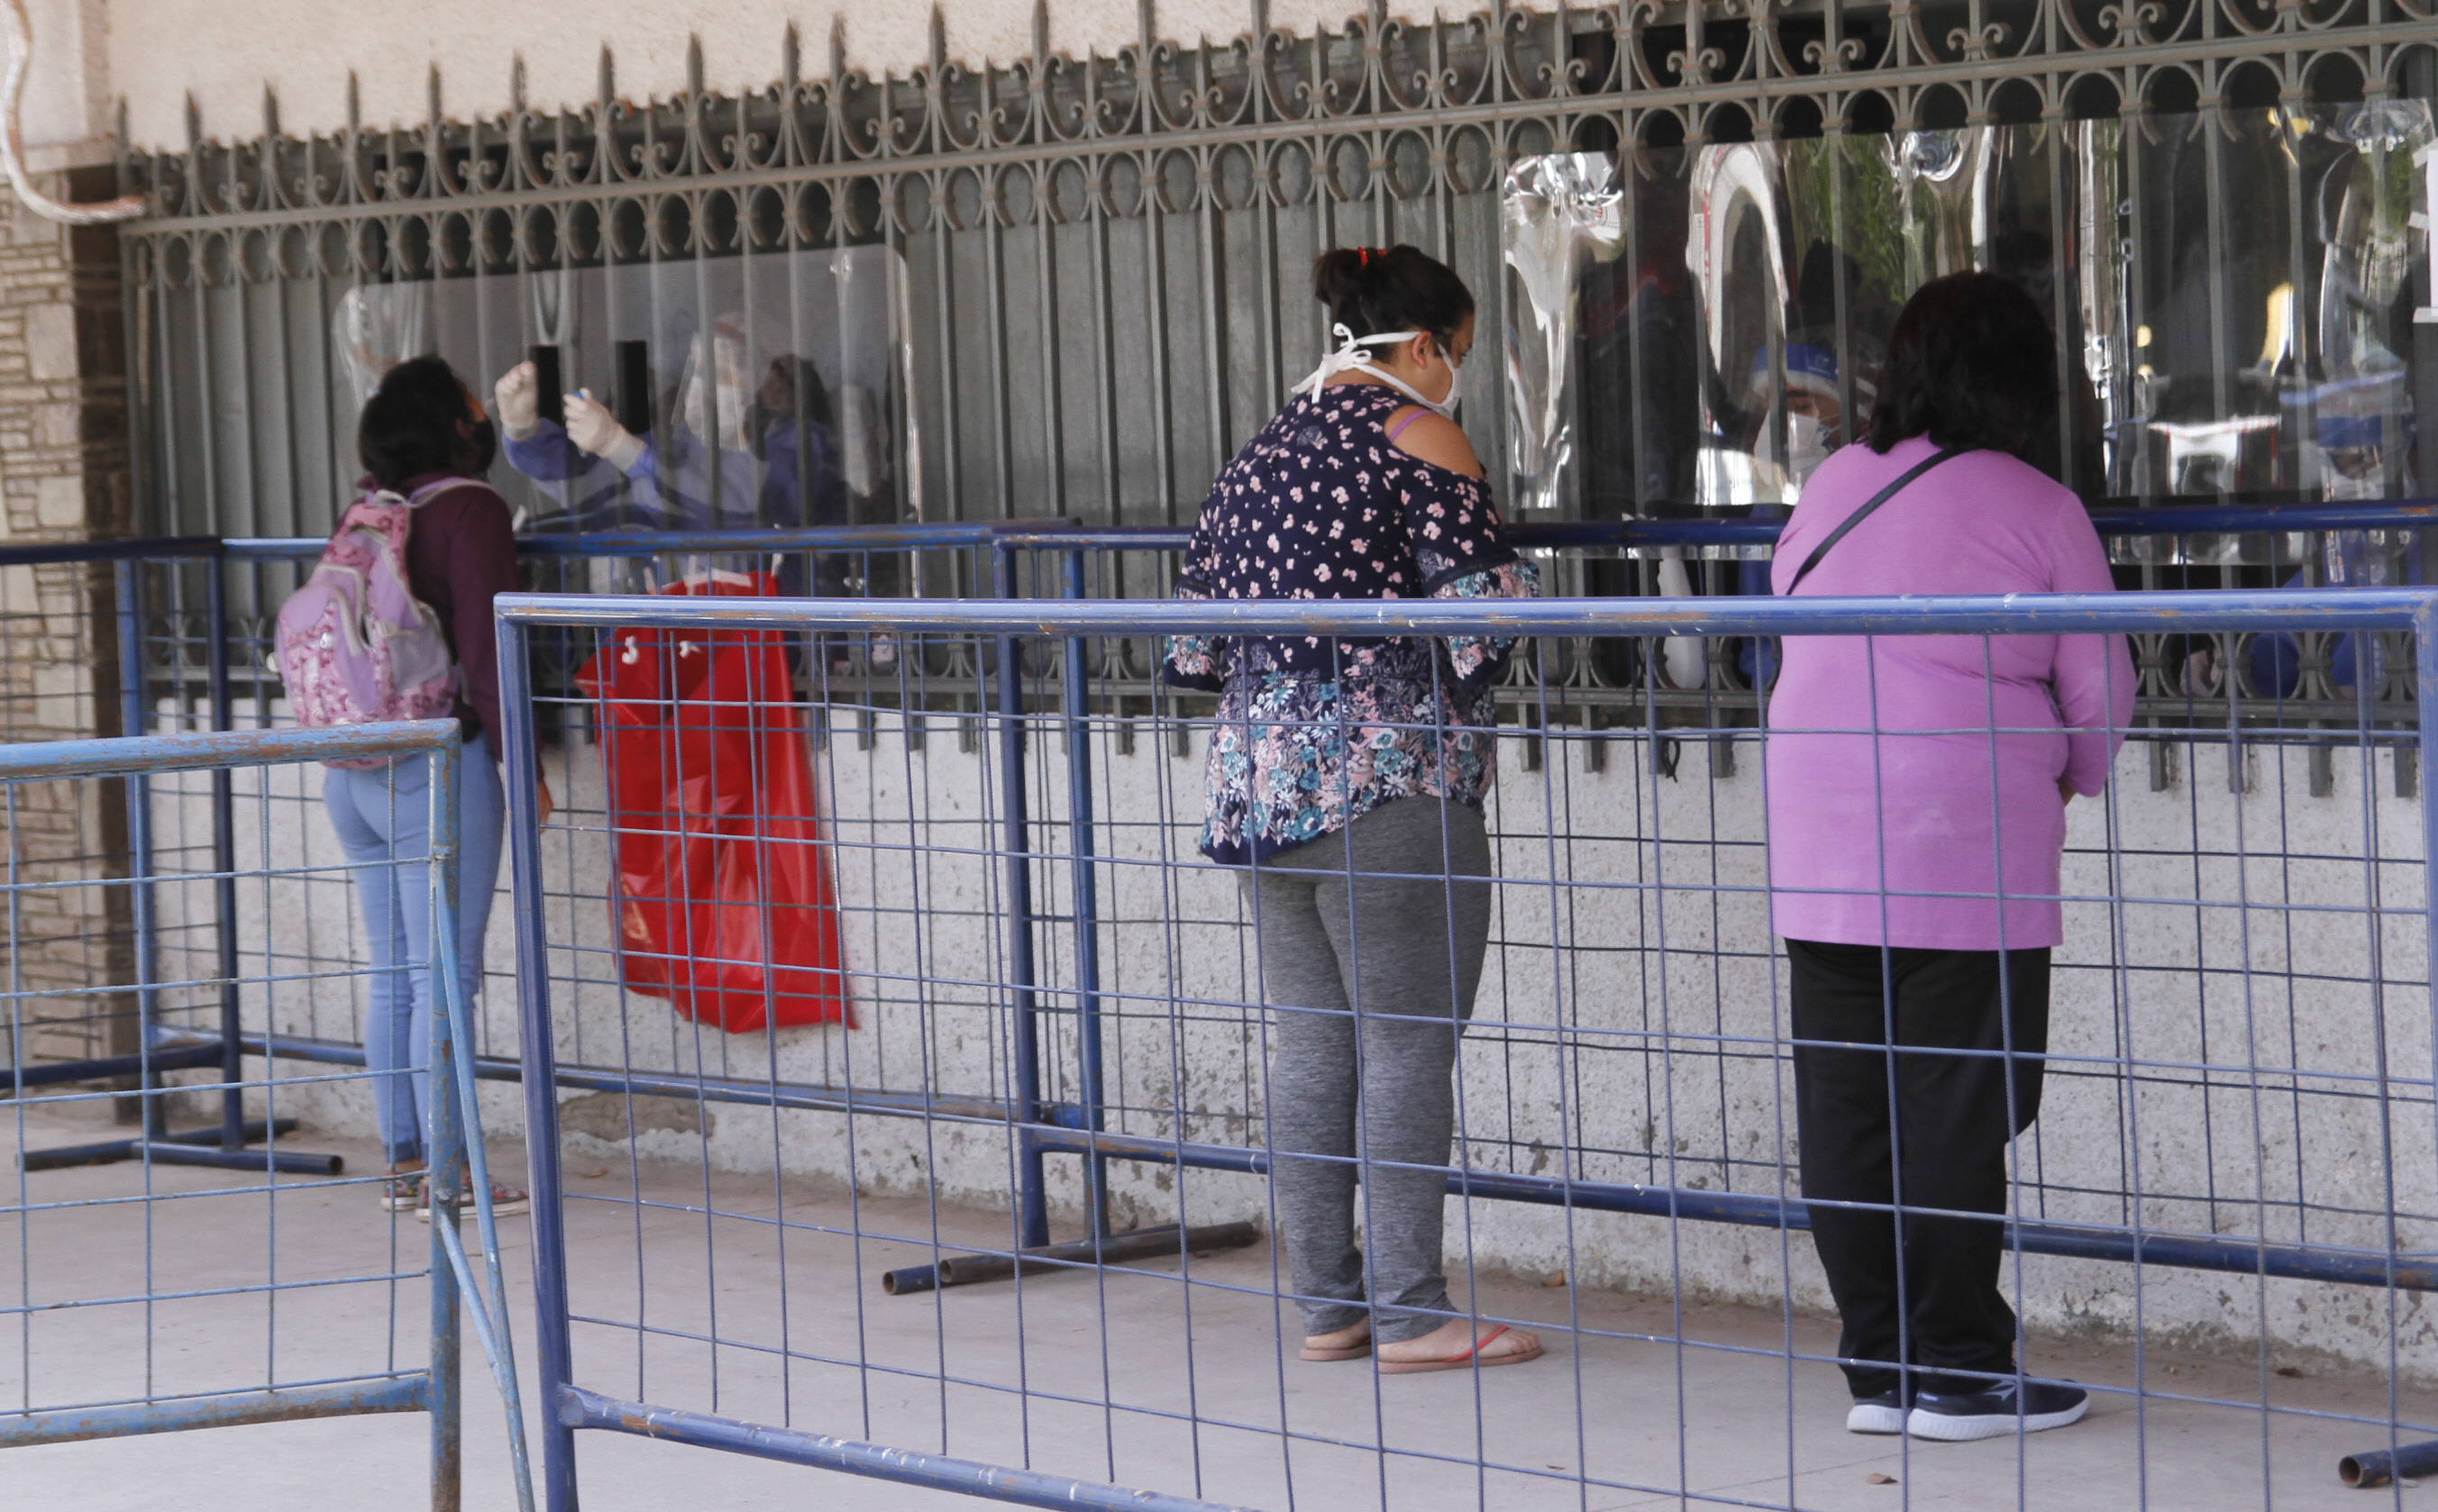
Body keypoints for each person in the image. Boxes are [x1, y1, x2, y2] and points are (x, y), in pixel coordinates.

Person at [1765, 272, 2135, 1440]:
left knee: (1849, 1111)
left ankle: (1881, 1368)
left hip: (1817, 838)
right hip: (1960, 843)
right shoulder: (2041, 506)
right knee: (1957, 1107)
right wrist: (2066, 774)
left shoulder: (1831, 482)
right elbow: (2100, 694)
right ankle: (1963, 1373)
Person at [1164, 244, 1542, 1374]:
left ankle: (1330, 1306)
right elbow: (1484, 623)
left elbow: (1192, 646)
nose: (1457, 375)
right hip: (1388, 782)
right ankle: (1415, 1315)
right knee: (1407, 1043)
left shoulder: (1256, 455)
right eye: (1458, 351)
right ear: (1420, 346)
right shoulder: (1417, 434)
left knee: (1315, 1044)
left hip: (1259, 788)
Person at [326, 356, 550, 1219]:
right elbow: (493, 651)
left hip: (354, 768)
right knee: (445, 976)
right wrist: (523, 765)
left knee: (396, 971)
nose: (481, 409)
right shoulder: (471, 510)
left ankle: (409, 1162)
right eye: (469, 401)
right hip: (436, 768)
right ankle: (448, 1176)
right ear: (454, 425)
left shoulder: (370, 510)